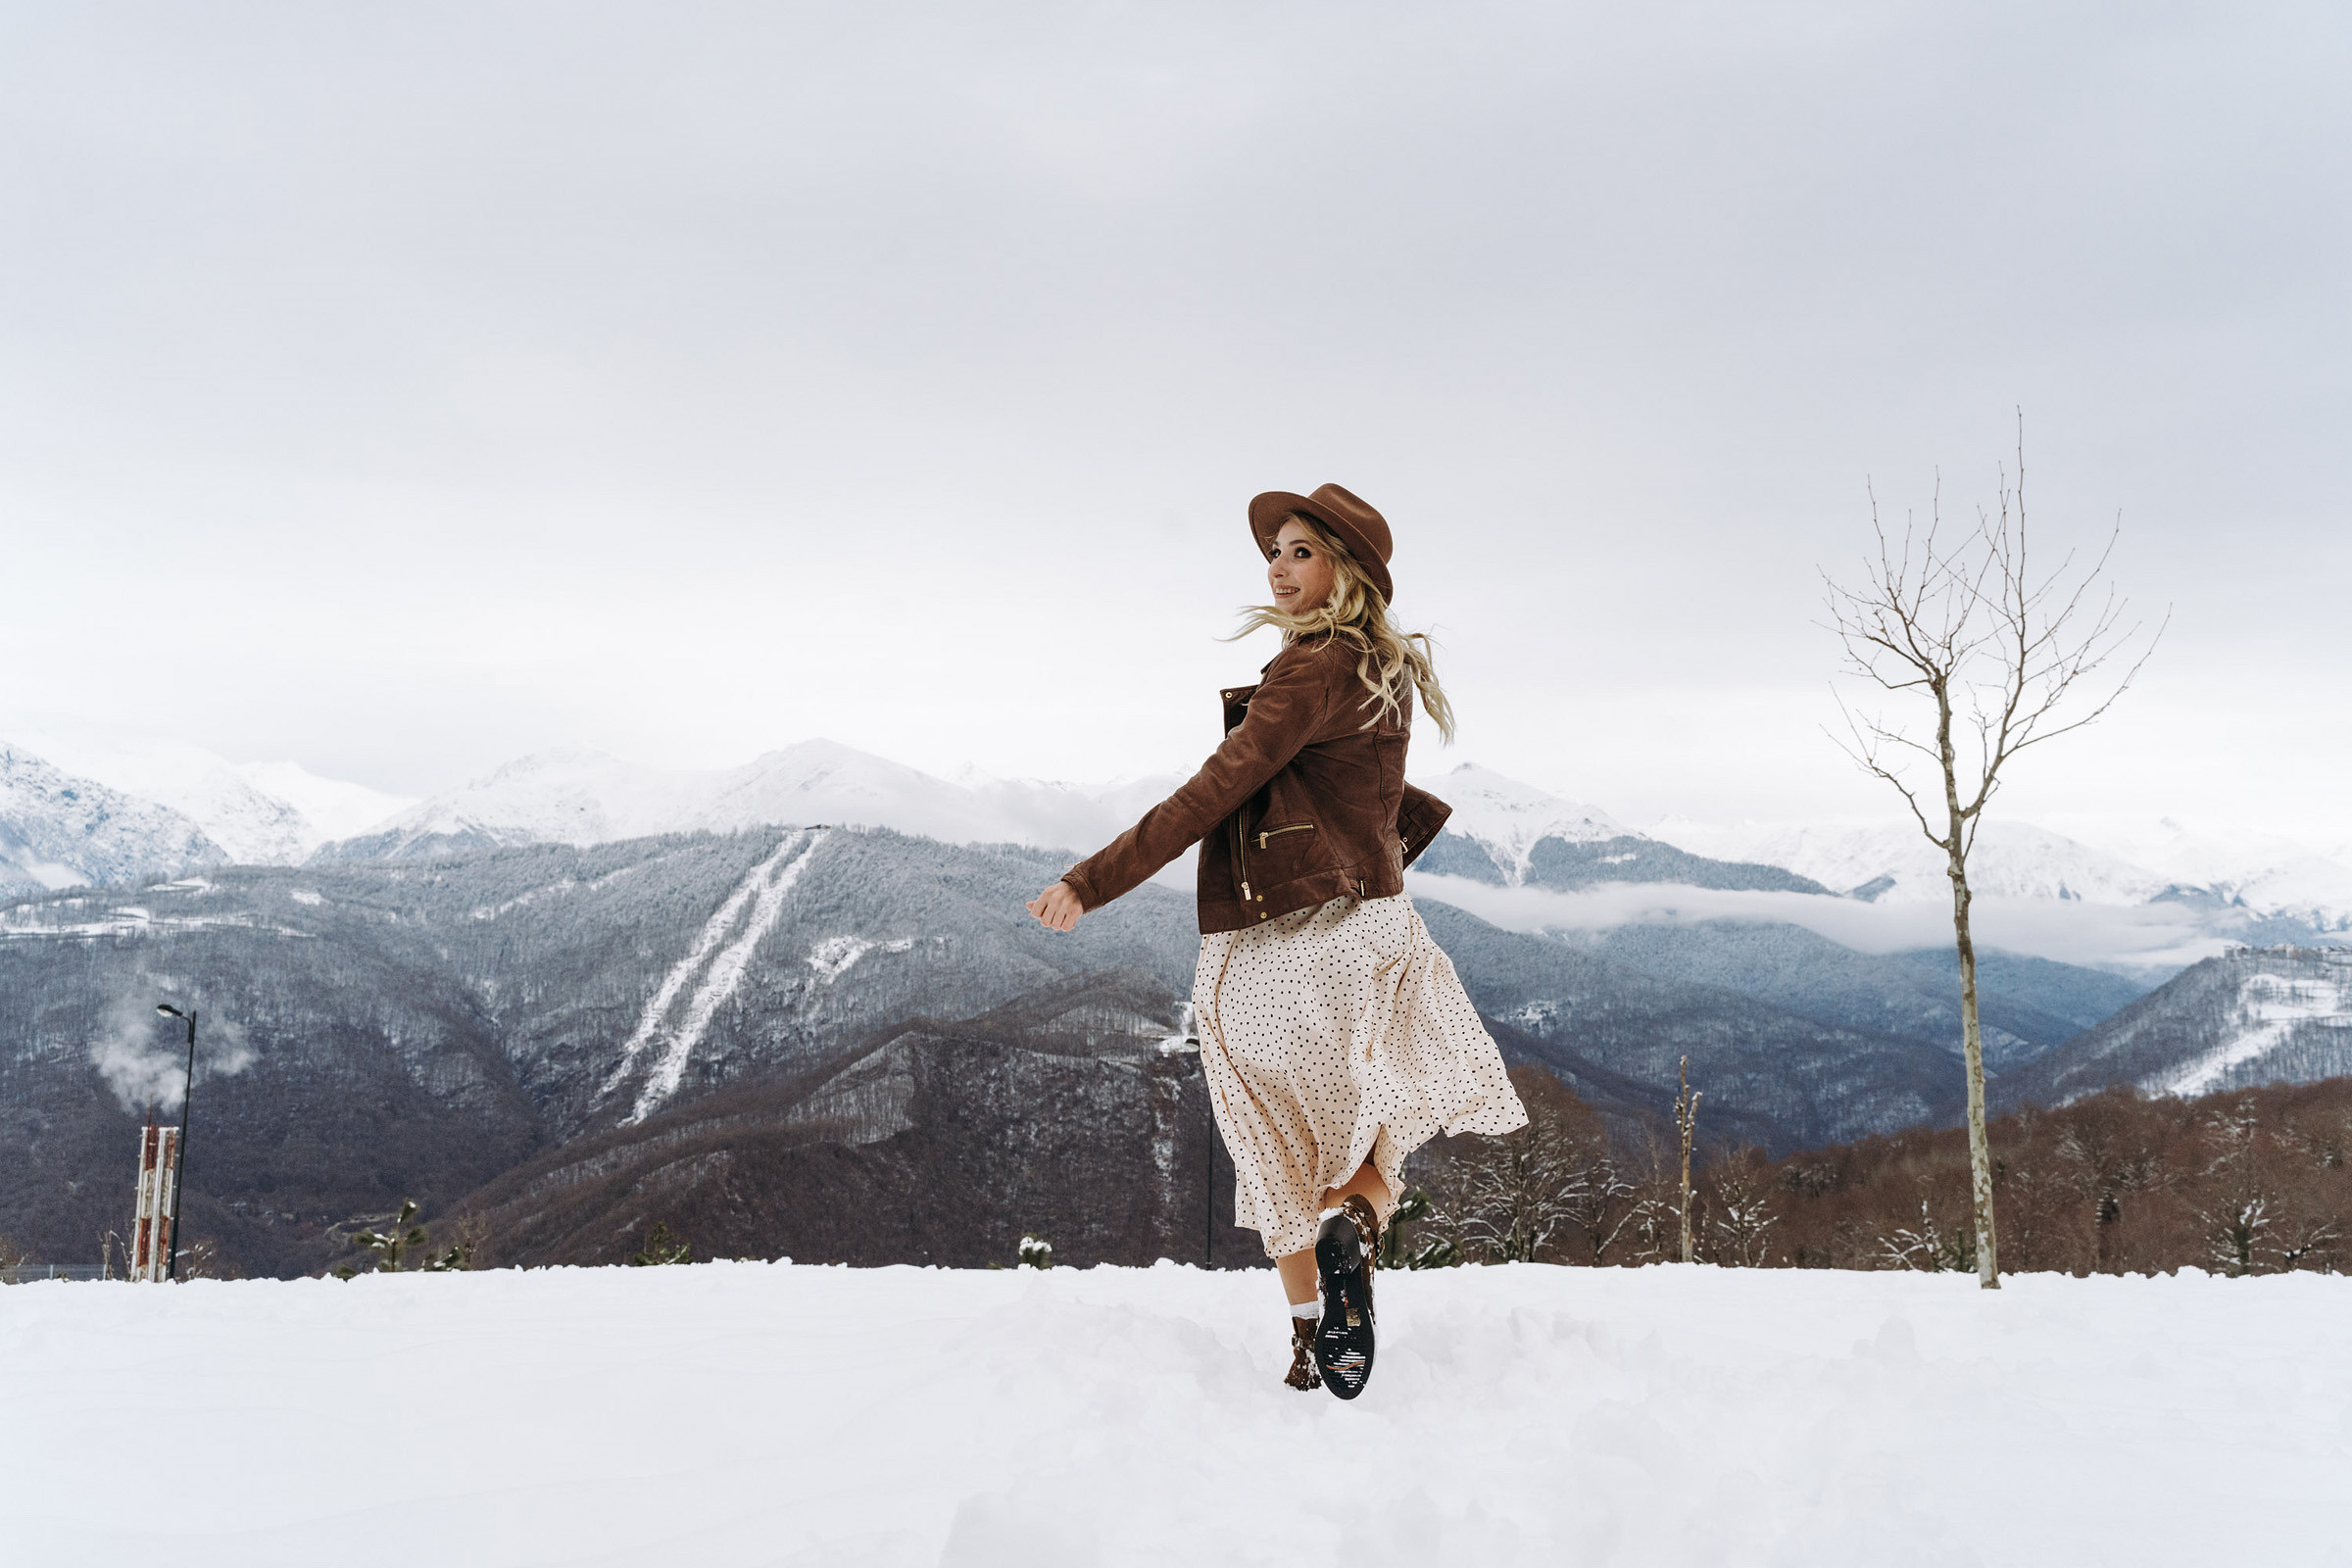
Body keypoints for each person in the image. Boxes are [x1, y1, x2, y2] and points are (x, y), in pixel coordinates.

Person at [1026, 483, 1527, 1399]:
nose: (1279, 566)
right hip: (1367, 929)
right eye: (1278, 551)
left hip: (1273, 950)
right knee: (1371, 1143)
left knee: (1274, 1148)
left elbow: (1208, 794)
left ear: (1349, 570)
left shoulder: (1308, 671)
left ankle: (1309, 1340)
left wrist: (1087, 881)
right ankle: (1356, 1239)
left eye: (1303, 551)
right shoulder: (1383, 670)